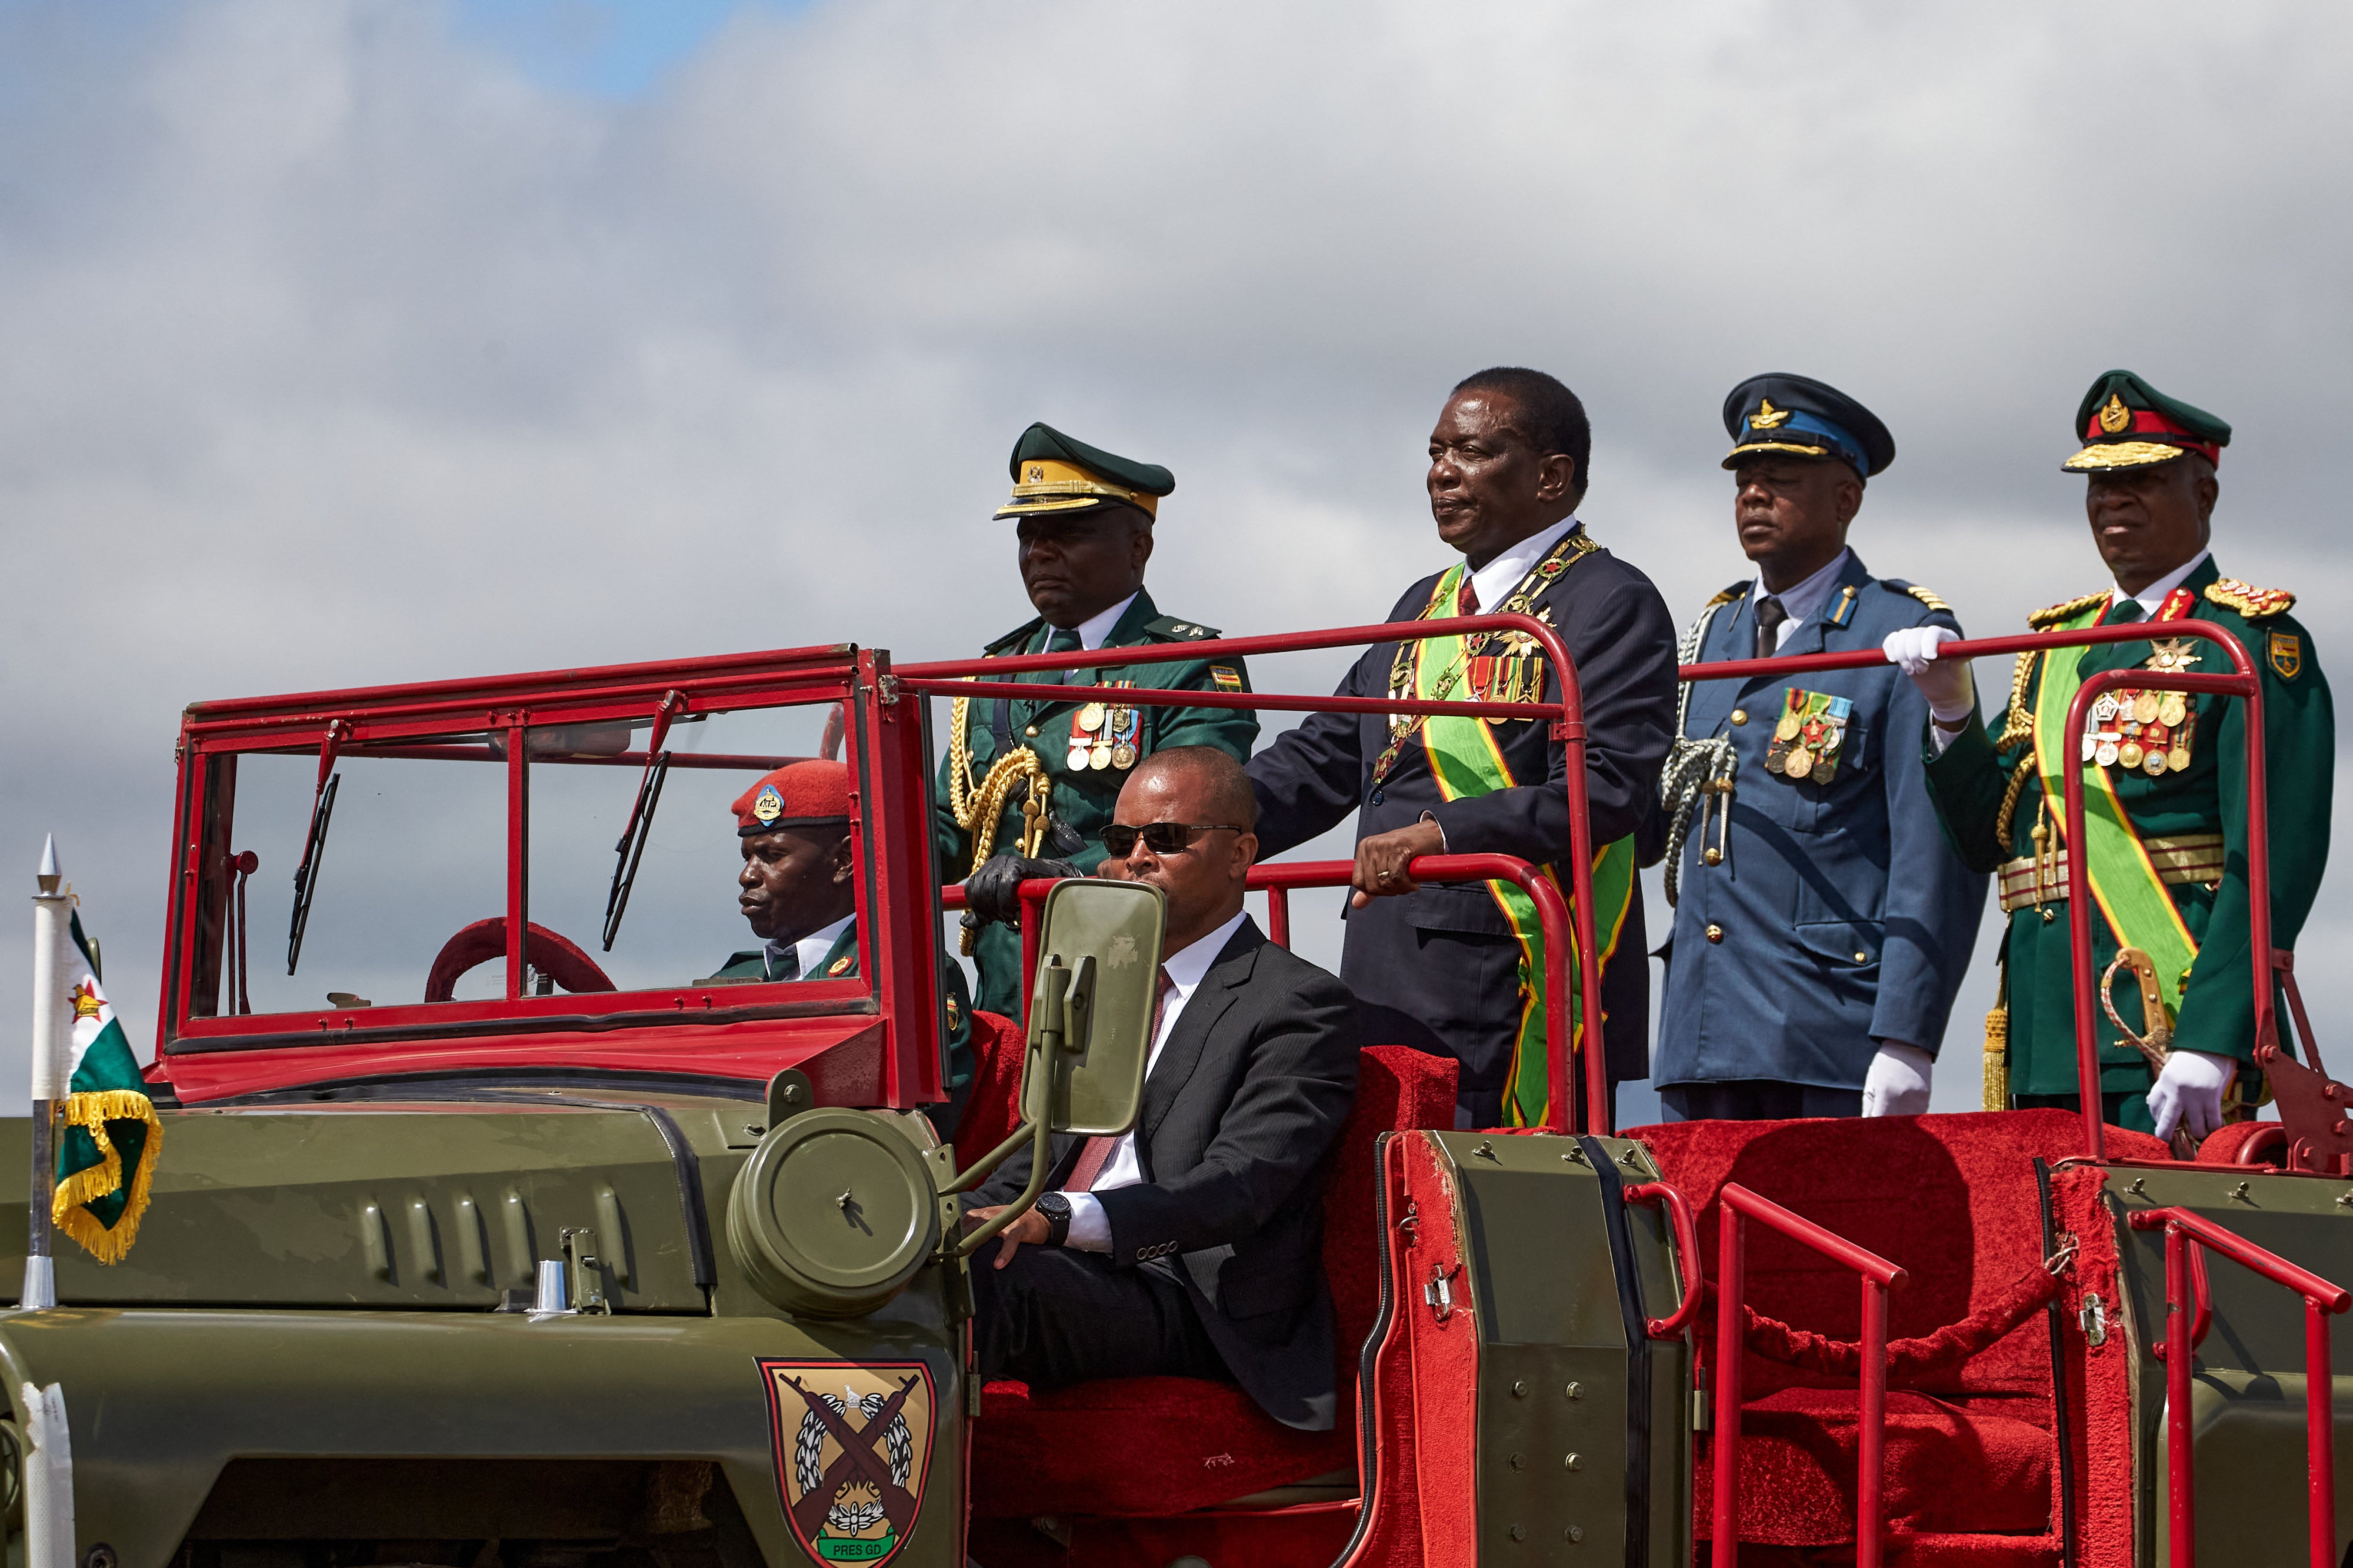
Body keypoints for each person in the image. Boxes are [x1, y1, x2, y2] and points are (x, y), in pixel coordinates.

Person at [1891, 369, 2332, 1141]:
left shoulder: (2252, 641)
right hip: (2042, 1024)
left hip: (2165, 1017)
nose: (2113, 500)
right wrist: (1952, 708)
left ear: (2205, 494)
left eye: (2142, 480)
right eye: (2100, 483)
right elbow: (1983, 837)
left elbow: (2272, 858)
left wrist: (2216, 1031)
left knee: (2169, 1255)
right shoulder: (2059, 648)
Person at [1247, 368, 1678, 1129]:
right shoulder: (1423, 603)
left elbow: (1609, 787)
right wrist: (1192, 824)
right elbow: (1324, 755)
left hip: (1506, 979)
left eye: (1474, 452)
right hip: (1384, 975)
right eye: (1436, 451)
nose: (1442, 472)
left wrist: (1445, 834)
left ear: (1553, 476)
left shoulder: (1611, 600)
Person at [962, 746, 1361, 1432]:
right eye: (1122, 840)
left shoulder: (1300, 1001)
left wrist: (1057, 1218)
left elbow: (1239, 1185)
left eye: (1167, 838)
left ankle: (908, 1529)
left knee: (965, 1283)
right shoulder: (1098, 980)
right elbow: (1037, 1155)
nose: (1136, 857)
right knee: (904, 1251)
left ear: (1240, 854)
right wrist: (949, 1214)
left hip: (1187, 1295)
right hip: (1076, 1267)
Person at [1651, 374, 1988, 1120]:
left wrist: (1910, 1034)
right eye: (1744, 479)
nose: (1753, 495)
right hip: (1701, 1027)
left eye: (1781, 478)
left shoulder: (1897, 637)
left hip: (1828, 1033)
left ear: (1846, 498)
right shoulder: (1712, 634)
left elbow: (1934, 856)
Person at [942, 422, 1258, 1020]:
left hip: (1131, 976)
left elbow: (1194, 826)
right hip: (1004, 987)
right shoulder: (993, 674)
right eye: (1029, 535)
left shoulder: (1184, 666)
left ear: (1138, 546)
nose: (1039, 552)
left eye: (1066, 534)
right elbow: (953, 822)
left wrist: (1062, 875)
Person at [712, 760, 976, 1132]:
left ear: (845, 861)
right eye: (748, 857)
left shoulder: (901, 978)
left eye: (771, 857)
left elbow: (922, 1125)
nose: (748, 875)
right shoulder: (734, 980)